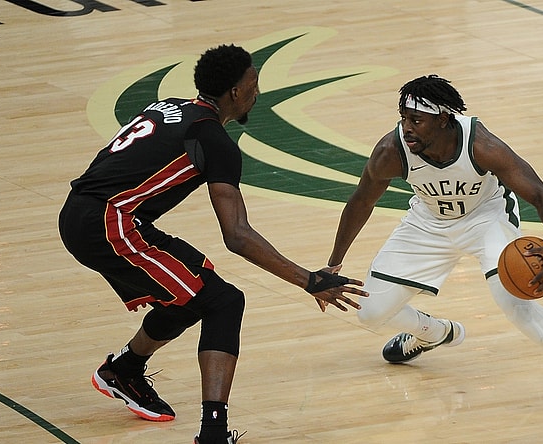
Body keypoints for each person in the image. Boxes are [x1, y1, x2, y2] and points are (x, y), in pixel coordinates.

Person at [58, 44, 367, 444]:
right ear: (236, 93)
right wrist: (309, 280)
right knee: (223, 301)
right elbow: (237, 235)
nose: (258, 92)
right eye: (254, 84)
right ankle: (213, 434)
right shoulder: (213, 139)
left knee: (197, 291)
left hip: (85, 213)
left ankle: (125, 369)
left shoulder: (167, 106)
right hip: (110, 224)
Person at [325, 75, 543, 435]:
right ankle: (433, 333)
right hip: (428, 222)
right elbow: (361, 202)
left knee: (517, 305)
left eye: (416, 121)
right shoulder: (391, 151)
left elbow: (542, 196)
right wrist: (334, 263)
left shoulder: (482, 145)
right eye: (403, 118)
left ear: (444, 119)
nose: (407, 128)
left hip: (487, 219)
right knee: (369, 312)